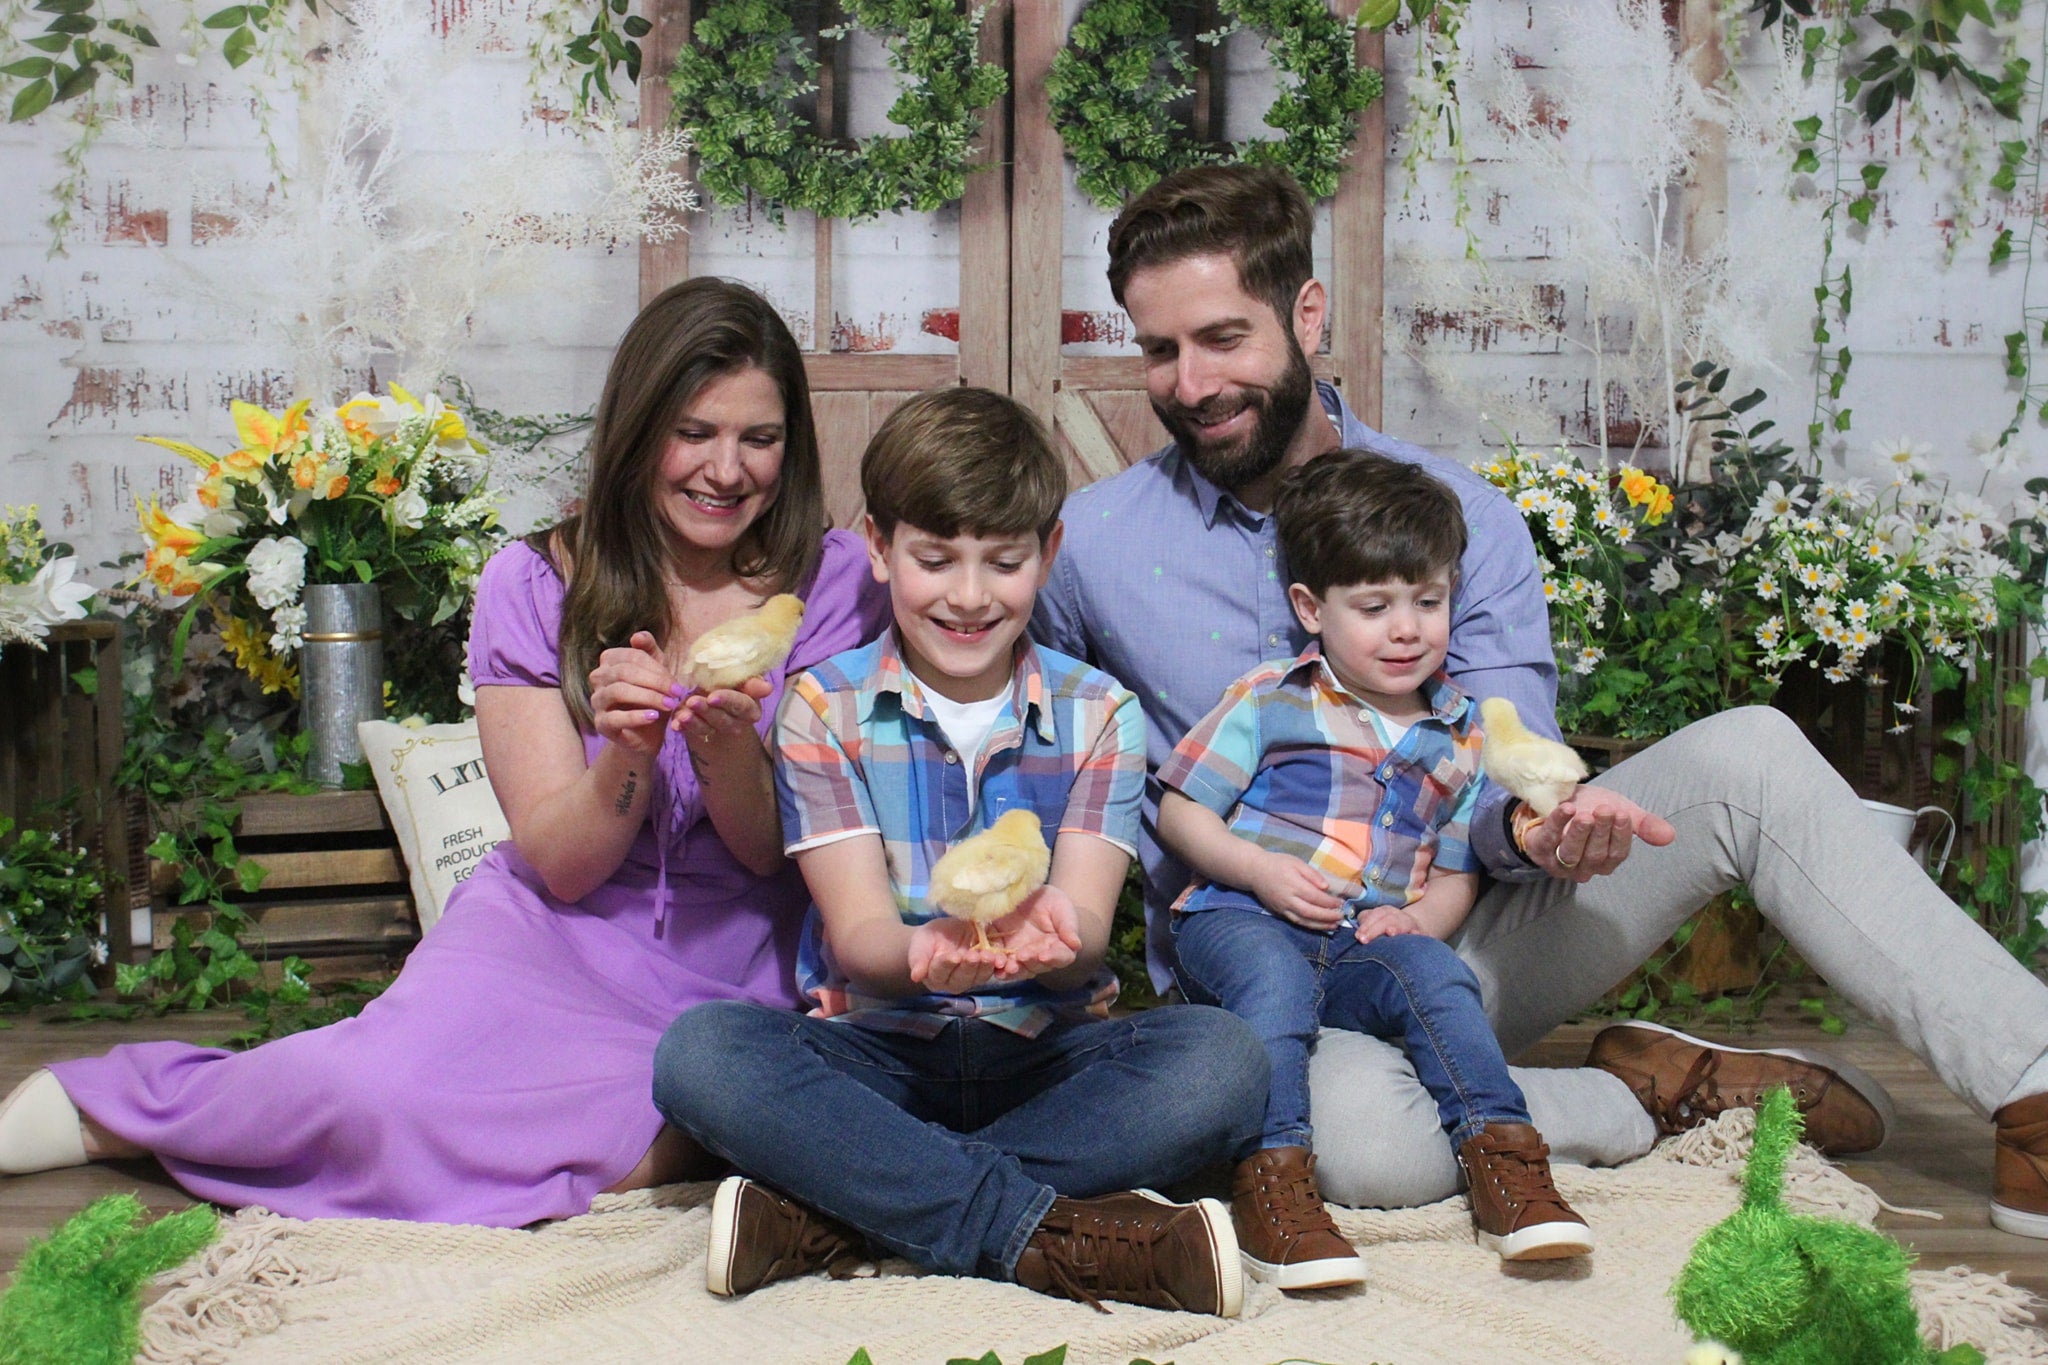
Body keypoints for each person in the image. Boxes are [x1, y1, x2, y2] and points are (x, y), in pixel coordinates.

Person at [1031, 162, 2048, 1230]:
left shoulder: (1459, 519)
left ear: (1305, 313)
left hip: (1455, 935)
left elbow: (1504, 762)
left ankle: (2033, 1083)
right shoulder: (1092, 549)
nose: (1190, 384)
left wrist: (1541, 827)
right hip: (1267, 979)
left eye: (1222, 338)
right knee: (1359, 1149)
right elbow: (1038, 767)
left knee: (1748, 752)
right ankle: (1647, 1096)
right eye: (1158, 350)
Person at [0, 277, 891, 1226]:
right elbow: (562, 861)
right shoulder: (535, 582)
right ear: (638, 429)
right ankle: (126, 1108)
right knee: (378, 1099)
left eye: (759, 438)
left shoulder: (832, 584)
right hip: (547, 935)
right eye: (695, 432)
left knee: (662, 1128)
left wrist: (722, 752)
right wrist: (625, 754)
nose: (727, 469)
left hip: (737, 958)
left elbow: (772, 854)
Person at [650, 386, 1267, 1316]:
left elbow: (1089, 937)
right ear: (880, 546)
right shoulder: (824, 707)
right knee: (702, 1053)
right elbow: (858, 933)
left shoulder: (1102, 713)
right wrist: (921, 955)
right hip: (879, 1059)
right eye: (935, 560)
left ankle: (841, 1215)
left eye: (1005, 562)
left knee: (1223, 1060)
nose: (970, 596)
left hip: (1047, 1056)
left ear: (1048, 556)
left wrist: (1062, 941)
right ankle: (1047, 1235)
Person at [1159, 449, 1592, 1288]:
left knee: (1436, 975)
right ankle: (1273, 1184)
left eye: (1428, 601)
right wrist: (1255, 870)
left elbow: (1460, 867)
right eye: (1375, 605)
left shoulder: (1464, 734)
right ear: (1311, 608)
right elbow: (1181, 809)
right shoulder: (1272, 698)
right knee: (1276, 990)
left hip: (1360, 939)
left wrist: (1420, 921)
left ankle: (1506, 1167)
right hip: (1239, 918)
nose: (1407, 628)